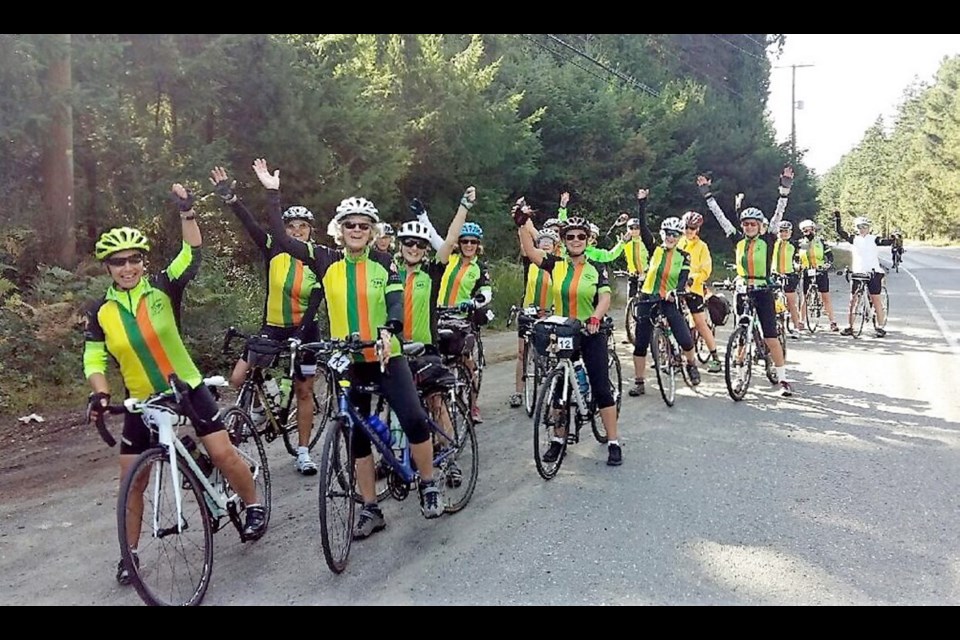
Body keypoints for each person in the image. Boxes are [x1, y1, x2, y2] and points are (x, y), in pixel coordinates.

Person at [243, 159, 446, 540]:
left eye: (363, 225)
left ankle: (429, 482)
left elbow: (395, 302)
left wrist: (390, 331)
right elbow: (282, 239)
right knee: (357, 436)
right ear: (340, 230)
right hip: (349, 364)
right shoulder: (325, 260)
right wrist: (272, 193)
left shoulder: (386, 262)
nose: (356, 230)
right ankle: (370, 507)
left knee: (415, 419)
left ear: (372, 232)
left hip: (387, 356)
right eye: (350, 224)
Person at [84, 184, 267, 586]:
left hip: (186, 386)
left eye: (134, 260)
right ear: (108, 268)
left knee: (221, 453)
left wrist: (187, 212)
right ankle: (129, 554)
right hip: (141, 399)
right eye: (118, 262)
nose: (127, 268)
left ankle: (253, 504)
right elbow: (94, 358)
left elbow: (191, 253)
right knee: (132, 479)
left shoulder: (165, 286)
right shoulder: (100, 310)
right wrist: (100, 391)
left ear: (143, 262)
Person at [211, 166, 322, 475]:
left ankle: (302, 451)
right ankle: (262, 406)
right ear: (283, 228)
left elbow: (315, 303)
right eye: (291, 226)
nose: (297, 231)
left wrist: (301, 334)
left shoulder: (317, 258)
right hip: (272, 326)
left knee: (303, 391)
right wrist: (231, 198)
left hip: (305, 329)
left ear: (311, 230)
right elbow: (249, 225)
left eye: (303, 226)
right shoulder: (273, 249)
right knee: (238, 378)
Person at [514, 202, 623, 466]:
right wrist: (520, 225)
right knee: (558, 388)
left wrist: (596, 317)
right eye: (570, 236)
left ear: (587, 240)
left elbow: (605, 297)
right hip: (563, 329)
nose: (575, 240)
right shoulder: (556, 264)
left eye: (580, 236)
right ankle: (557, 440)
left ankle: (613, 441)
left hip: (590, 330)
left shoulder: (596, 268)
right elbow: (530, 251)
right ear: (563, 240)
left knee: (600, 387)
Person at [698, 166, 796, 397]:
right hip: (743, 289)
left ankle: (782, 379)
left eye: (753, 224)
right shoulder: (738, 240)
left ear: (760, 226)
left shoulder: (769, 239)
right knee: (742, 331)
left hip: (763, 291)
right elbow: (720, 217)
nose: (749, 227)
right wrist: (707, 195)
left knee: (771, 336)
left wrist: (785, 190)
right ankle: (740, 373)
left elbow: (778, 213)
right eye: (746, 224)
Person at [625, 195, 701, 398]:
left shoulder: (683, 256)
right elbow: (644, 227)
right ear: (663, 234)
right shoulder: (654, 249)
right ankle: (639, 382)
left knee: (684, 337)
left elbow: (683, 278)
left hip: (668, 299)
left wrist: (676, 291)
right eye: (668, 234)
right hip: (648, 299)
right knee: (640, 343)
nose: (671, 237)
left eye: (675, 235)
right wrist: (642, 203)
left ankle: (691, 363)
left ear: (680, 237)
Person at [437, 221, 493, 423]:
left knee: (466, 362)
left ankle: (473, 405)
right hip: (439, 315)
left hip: (462, 319)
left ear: (478, 245)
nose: (469, 245)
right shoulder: (448, 260)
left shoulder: (479, 267)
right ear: (459, 243)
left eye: (473, 242)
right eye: (465, 241)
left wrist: (474, 302)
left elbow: (486, 292)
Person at [511, 226, 559, 408]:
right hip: (529, 311)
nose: (545, 245)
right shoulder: (529, 262)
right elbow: (524, 243)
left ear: (555, 246)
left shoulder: (558, 264)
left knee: (553, 351)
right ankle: (518, 392)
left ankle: (555, 386)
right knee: (522, 353)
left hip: (550, 313)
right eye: (542, 241)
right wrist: (522, 223)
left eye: (549, 242)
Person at [834, 212, 893, 337]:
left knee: (875, 298)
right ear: (856, 228)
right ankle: (850, 326)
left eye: (864, 227)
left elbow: (884, 241)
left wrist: (893, 238)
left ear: (869, 228)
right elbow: (840, 232)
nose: (862, 229)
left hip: (873, 272)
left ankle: (879, 325)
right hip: (858, 272)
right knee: (853, 300)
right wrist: (837, 217)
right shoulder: (854, 239)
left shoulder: (873, 239)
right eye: (859, 227)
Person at [678, 209, 722, 373]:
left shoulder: (702, 247)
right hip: (677, 288)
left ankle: (716, 358)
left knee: (700, 324)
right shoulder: (678, 242)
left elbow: (706, 270)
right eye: (686, 227)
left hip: (694, 289)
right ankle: (669, 355)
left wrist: (692, 278)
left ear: (697, 230)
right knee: (670, 320)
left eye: (692, 228)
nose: (689, 231)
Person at [796, 219, 839, 332]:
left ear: (814, 230)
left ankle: (832, 322)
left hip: (820, 271)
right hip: (807, 271)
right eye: (805, 231)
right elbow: (797, 258)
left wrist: (827, 264)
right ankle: (801, 321)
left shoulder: (820, 241)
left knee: (825, 297)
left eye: (810, 230)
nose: (808, 232)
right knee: (805, 297)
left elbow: (829, 256)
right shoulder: (801, 243)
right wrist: (797, 265)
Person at [771, 220, 804, 338]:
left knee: (791, 302)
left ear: (790, 232)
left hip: (789, 275)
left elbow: (799, 258)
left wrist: (798, 267)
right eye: (781, 231)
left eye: (786, 231)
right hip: (774, 274)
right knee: (772, 301)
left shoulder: (794, 244)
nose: (783, 234)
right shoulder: (773, 243)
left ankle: (796, 327)